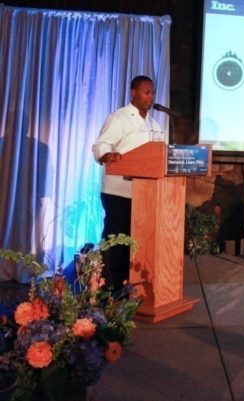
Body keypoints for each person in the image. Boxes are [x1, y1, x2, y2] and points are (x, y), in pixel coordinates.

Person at [92, 75, 164, 292]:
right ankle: (107, 288)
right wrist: (106, 155)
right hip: (117, 191)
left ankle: (125, 286)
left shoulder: (154, 124)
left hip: (143, 192)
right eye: (146, 92)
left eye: (152, 92)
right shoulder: (120, 118)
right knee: (116, 240)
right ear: (133, 92)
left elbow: (155, 157)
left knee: (133, 241)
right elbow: (100, 145)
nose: (150, 97)